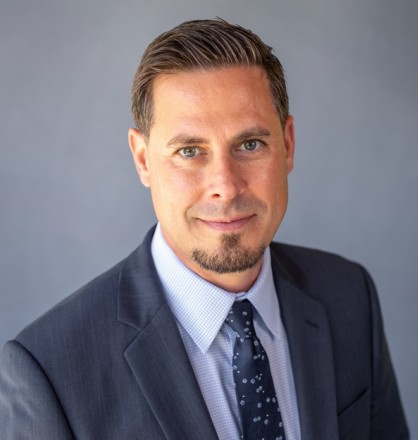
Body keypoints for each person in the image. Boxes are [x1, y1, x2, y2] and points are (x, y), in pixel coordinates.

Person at [0, 18, 409, 440]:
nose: (225, 187)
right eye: (190, 151)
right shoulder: (50, 372)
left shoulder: (349, 296)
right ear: (142, 159)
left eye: (250, 145)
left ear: (287, 145)